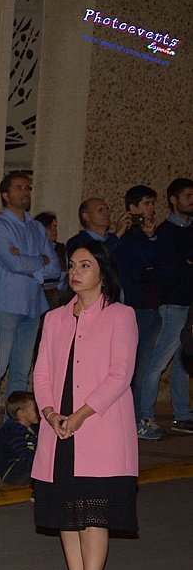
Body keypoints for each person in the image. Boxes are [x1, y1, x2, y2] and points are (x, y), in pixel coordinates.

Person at [32, 241, 138, 570]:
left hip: (97, 427)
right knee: (66, 510)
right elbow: (41, 373)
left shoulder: (120, 315)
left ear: (102, 272)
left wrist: (79, 415)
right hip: (58, 426)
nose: (75, 272)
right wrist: (50, 413)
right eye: (72, 265)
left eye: (85, 265)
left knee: (92, 511)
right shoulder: (55, 318)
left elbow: (120, 375)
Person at [0, 172, 60, 397]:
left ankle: (14, 418)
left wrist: (26, 261)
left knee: (21, 371)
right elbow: (14, 264)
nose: (25, 192)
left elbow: (55, 268)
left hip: (33, 305)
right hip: (6, 305)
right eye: (19, 188)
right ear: (5, 195)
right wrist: (39, 260)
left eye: (27, 188)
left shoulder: (37, 227)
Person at [141, 178, 193, 436]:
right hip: (172, 304)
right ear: (173, 200)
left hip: (189, 304)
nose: (191, 200)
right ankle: (146, 415)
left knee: (184, 361)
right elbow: (167, 268)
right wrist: (184, 265)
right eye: (187, 196)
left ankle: (183, 414)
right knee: (158, 362)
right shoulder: (165, 232)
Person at [115, 185, 163, 438]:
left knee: (143, 370)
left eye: (153, 204)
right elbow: (141, 268)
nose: (151, 209)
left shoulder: (150, 235)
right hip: (134, 307)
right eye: (146, 204)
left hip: (152, 307)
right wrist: (152, 264)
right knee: (133, 370)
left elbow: (161, 264)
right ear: (132, 208)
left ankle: (139, 417)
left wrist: (152, 239)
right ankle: (131, 421)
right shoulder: (125, 237)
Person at [0, 390, 37, 486]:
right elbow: (24, 455)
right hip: (11, 472)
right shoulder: (13, 432)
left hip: (25, 466)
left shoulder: (32, 428)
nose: (39, 412)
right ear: (21, 413)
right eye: (35, 409)